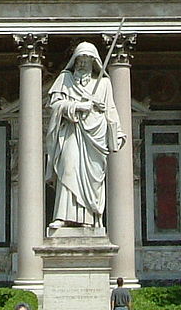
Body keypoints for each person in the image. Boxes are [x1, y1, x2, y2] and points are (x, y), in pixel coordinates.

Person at [45, 41, 125, 229]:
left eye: (86, 60)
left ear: (93, 62)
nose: (82, 64)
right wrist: (77, 106)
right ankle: (63, 216)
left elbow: (111, 110)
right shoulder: (65, 80)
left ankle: (89, 218)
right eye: (79, 60)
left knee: (92, 179)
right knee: (68, 169)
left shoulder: (103, 84)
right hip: (72, 134)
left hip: (94, 137)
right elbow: (54, 105)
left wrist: (118, 133)